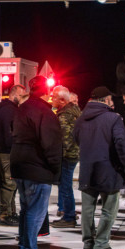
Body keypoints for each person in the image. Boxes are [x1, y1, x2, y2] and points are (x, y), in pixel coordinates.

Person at [74, 86, 125, 249]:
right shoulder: (113, 118)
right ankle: (101, 244)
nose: (113, 103)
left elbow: (76, 138)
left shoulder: (81, 118)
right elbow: (122, 145)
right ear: (106, 100)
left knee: (87, 208)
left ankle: (88, 244)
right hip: (109, 169)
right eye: (111, 99)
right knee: (109, 208)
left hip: (88, 168)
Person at [11, 75, 62, 249]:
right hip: (37, 168)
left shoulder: (21, 109)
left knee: (26, 211)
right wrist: (55, 168)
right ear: (46, 92)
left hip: (21, 166)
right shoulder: (44, 112)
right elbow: (51, 144)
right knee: (35, 212)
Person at [0, 84, 27, 226]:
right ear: (15, 94)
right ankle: (5, 214)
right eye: (21, 96)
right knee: (9, 182)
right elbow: (9, 133)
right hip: (6, 151)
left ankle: (10, 213)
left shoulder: (5, 108)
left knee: (11, 182)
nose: (22, 99)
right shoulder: (9, 110)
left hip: (4, 149)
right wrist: (14, 148)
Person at [51, 86, 81, 228]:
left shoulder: (65, 115)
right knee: (66, 185)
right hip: (74, 153)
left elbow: (65, 139)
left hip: (67, 155)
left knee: (65, 186)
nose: (52, 99)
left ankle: (68, 216)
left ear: (62, 100)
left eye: (54, 97)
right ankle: (68, 213)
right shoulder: (74, 110)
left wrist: (59, 156)